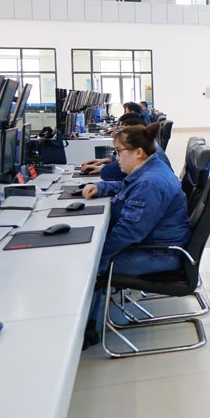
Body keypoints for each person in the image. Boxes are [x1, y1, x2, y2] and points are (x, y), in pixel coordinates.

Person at [80, 123, 191, 349]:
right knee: (92, 257)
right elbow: (127, 187)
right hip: (155, 246)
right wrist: (102, 187)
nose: (116, 158)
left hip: (159, 254)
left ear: (138, 152)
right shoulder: (150, 170)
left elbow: (129, 232)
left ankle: (88, 329)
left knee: (87, 265)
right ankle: (90, 321)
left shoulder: (151, 182)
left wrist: (97, 256)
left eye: (119, 152)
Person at [80, 113, 172, 180]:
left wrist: (103, 168)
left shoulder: (148, 181)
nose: (118, 131)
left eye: (121, 129)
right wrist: (107, 160)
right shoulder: (148, 146)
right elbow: (129, 185)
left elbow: (108, 173)